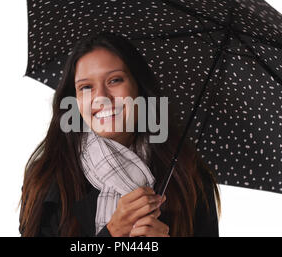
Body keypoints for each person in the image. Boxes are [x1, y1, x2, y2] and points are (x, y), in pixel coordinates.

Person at [18, 31, 221, 237]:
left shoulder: (187, 178)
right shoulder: (46, 178)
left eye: (115, 80)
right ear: (75, 99)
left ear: (138, 87)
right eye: (86, 87)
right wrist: (112, 233)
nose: (101, 98)